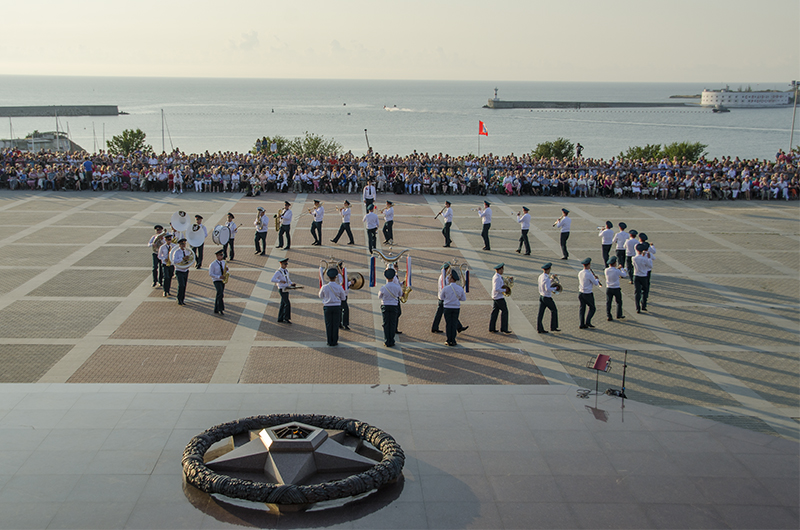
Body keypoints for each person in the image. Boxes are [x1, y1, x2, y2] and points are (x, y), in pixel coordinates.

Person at [431, 262, 467, 334]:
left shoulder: (442, 277)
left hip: (441, 298)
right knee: (449, 314)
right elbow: (448, 287)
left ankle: (435, 327)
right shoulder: (445, 278)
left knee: (441, 314)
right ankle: (458, 327)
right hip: (444, 299)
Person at [319, 267, 346, 346]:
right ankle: (335, 341)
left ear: (328, 277)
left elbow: (320, 296)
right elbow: (343, 298)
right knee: (335, 324)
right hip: (337, 307)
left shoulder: (324, 287)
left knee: (328, 324)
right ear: (336, 277)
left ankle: (329, 341)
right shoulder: (339, 287)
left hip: (327, 306)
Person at [440, 268, 466, 346]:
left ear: (451, 279)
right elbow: (463, 298)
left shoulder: (446, 288)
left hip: (447, 307)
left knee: (448, 324)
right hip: (456, 307)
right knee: (454, 324)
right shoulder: (460, 288)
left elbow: (441, 297)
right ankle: (453, 340)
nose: (448, 279)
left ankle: (449, 340)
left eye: (449, 278)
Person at [378, 268, 403, 347]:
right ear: (393, 277)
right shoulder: (397, 287)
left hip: (385, 305)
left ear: (386, 277)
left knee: (386, 324)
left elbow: (379, 296)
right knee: (392, 323)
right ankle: (391, 340)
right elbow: (400, 294)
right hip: (394, 306)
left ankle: (386, 340)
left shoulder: (383, 287)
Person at [577, 257, 601, 329]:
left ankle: (581, 323)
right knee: (592, 308)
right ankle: (588, 321)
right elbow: (595, 283)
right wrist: (597, 279)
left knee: (582, 308)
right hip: (588, 293)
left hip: (581, 292)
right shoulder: (589, 274)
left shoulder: (580, 272)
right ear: (589, 265)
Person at [537, 262, 560, 333]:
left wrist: (552, 279)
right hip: (547, 297)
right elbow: (547, 288)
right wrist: (555, 288)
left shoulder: (541, 276)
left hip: (541, 296)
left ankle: (539, 328)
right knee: (554, 310)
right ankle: (553, 327)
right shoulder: (546, 278)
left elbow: (545, 283)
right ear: (548, 269)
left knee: (541, 313)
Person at [489, 263, 512, 334]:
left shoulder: (498, 276)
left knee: (495, 312)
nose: (502, 271)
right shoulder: (497, 278)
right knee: (505, 311)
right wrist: (505, 290)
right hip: (498, 297)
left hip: (496, 297)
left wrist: (508, 280)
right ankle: (504, 328)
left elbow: (502, 283)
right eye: (502, 270)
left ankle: (492, 328)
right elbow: (496, 288)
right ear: (499, 270)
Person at [271, 257, 294, 323]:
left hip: (286, 288)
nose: (286, 265)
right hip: (282, 288)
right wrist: (280, 281)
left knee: (283, 303)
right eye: (285, 264)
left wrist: (291, 283)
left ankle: (280, 318)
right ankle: (286, 318)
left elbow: (287, 279)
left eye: (286, 264)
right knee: (287, 303)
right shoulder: (278, 272)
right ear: (281, 264)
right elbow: (272, 279)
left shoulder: (286, 270)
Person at [604, 255, 627, 321]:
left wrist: (617, 268)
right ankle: (619, 314)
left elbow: (613, 270)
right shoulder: (617, 271)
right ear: (614, 263)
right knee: (619, 302)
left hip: (609, 288)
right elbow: (624, 275)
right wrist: (621, 268)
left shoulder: (606, 270)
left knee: (609, 302)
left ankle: (608, 315)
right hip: (616, 288)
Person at [632, 243, 653, 313]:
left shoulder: (634, 258)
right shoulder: (644, 259)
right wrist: (649, 258)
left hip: (636, 275)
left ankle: (637, 307)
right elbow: (650, 266)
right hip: (644, 276)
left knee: (637, 292)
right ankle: (643, 305)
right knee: (645, 291)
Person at [173, 238, 193, 306]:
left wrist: (188, 261)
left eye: (184, 244)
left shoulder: (187, 251)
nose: (183, 245)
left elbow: (190, 259)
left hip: (185, 270)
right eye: (182, 244)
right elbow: (174, 261)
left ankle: (182, 299)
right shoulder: (176, 252)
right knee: (181, 285)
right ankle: (179, 299)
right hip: (179, 270)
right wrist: (182, 259)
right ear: (179, 245)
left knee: (184, 286)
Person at [158, 233, 177, 298]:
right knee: (166, 277)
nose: (169, 241)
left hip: (171, 264)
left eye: (170, 239)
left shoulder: (174, 246)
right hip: (165, 264)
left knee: (170, 277)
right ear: (165, 240)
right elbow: (159, 256)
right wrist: (164, 259)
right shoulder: (162, 247)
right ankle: (165, 290)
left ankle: (168, 290)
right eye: (168, 240)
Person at [209, 249, 227, 315]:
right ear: (217, 256)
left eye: (222, 255)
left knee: (219, 294)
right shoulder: (213, 264)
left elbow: (226, 269)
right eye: (220, 255)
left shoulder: (224, 262)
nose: (222, 256)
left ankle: (216, 309)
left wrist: (227, 271)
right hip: (216, 280)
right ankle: (220, 309)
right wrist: (219, 277)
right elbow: (211, 274)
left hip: (222, 280)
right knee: (220, 293)